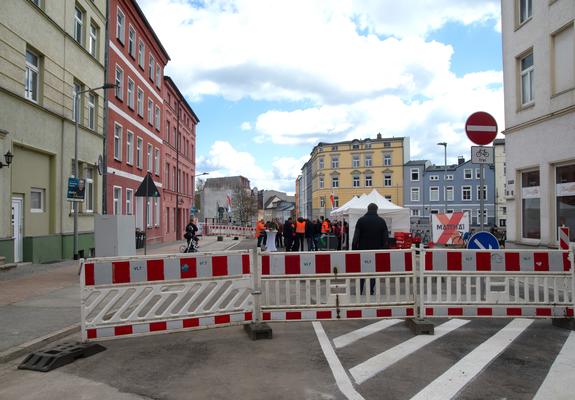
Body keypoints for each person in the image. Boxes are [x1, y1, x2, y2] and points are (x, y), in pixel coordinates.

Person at [352, 203, 389, 295]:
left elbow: (356, 237)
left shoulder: (361, 220)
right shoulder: (381, 221)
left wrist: (354, 250)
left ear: (367, 209)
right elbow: (386, 239)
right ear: (377, 210)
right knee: (373, 271)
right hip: (376, 251)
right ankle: (370, 290)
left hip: (362, 250)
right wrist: (384, 250)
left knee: (361, 271)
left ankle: (359, 290)